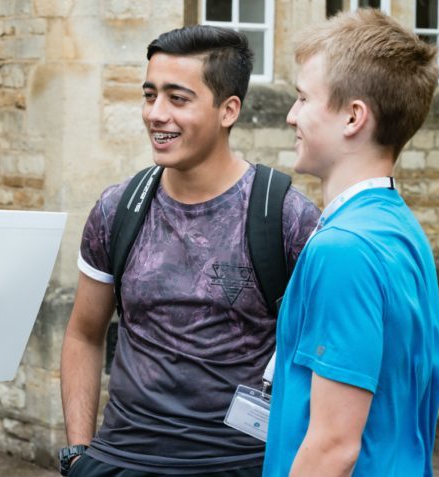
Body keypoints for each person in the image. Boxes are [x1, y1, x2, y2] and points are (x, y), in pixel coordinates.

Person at [59, 25, 320, 476]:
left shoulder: (284, 216)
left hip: (240, 464)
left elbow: (321, 355)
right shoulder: (117, 208)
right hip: (121, 461)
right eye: (150, 95)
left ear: (228, 110)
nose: (156, 114)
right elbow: (83, 333)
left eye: (178, 98)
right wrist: (79, 454)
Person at [262, 9, 439, 477]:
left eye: (303, 98)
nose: (291, 115)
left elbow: (333, 447)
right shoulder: (398, 226)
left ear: (352, 116)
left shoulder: (344, 248)